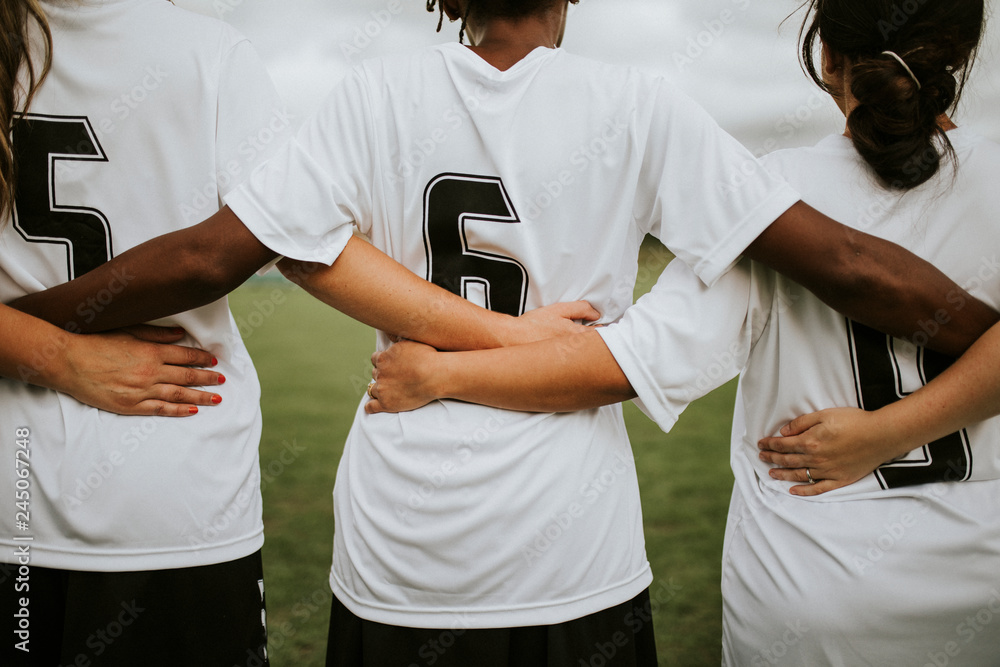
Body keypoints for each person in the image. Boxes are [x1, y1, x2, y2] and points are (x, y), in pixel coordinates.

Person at [8, 0, 998, 665]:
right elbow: (850, 268)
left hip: (401, 545)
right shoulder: (641, 105)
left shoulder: (368, 98)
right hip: (573, 550)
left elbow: (263, 249)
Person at [366, 0, 1000, 663]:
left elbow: (625, 362)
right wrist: (900, 429)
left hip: (813, 591)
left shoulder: (774, 192)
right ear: (958, 54)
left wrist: (446, 372)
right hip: (983, 577)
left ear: (828, 57)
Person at [0, 2, 594, 665]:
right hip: (169, 490)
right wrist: (505, 333)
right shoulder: (208, 52)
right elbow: (281, 246)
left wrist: (28, 338)